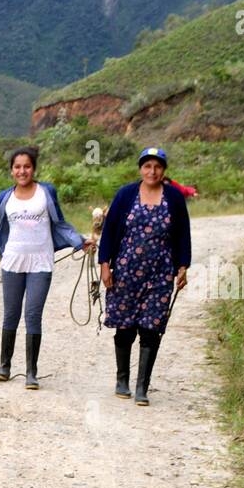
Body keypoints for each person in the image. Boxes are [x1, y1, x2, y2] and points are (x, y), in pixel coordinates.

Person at [0, 146, 95, 387]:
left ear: (34, 168)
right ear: (11, 171)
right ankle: (4, 366)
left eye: (26, 166)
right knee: (10, 315)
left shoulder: (46, 192)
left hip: (41, 262)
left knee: (33, 315)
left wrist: (79, 241)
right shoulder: (3, 197)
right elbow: (0, 230)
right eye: (17, 167)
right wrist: (3, 254)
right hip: (13, 261)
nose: (22, 171)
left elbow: (59, 223)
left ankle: (31, 373)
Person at [97, 146, 192, 406]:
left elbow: (183, 233)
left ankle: (142, 387)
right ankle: (122, 380)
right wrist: (105, 264)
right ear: (141, 168)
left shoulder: (173, 197)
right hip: (126, 270)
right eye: (148, 166)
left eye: (158, 166)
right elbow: (111, 230)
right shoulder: (126, 194)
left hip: (161, 272)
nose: (152, 171)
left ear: (164, 170)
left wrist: (182, 266)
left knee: (151, 328)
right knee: (125, 325)